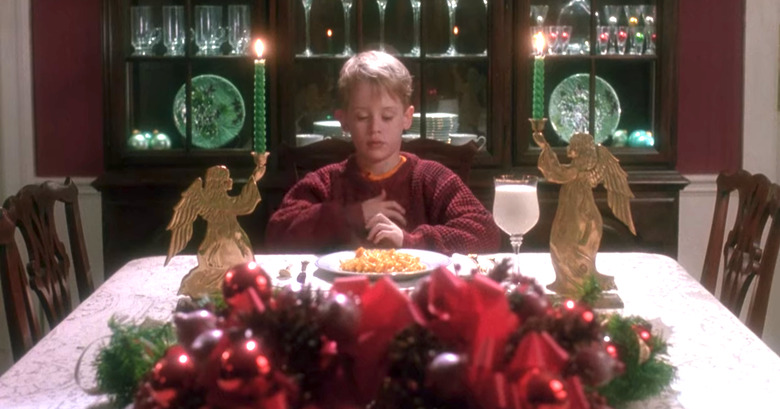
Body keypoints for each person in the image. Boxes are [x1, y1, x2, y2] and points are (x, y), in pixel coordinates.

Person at [266, 50, 500, 255]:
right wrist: (352, 216)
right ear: (344, 120)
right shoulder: (326, 181)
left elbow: (485, 233)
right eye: (362, 117)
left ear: (407, 118)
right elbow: (277, 235)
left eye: (387, 116)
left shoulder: (431, 179)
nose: (375, 128)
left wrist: (410, 241)